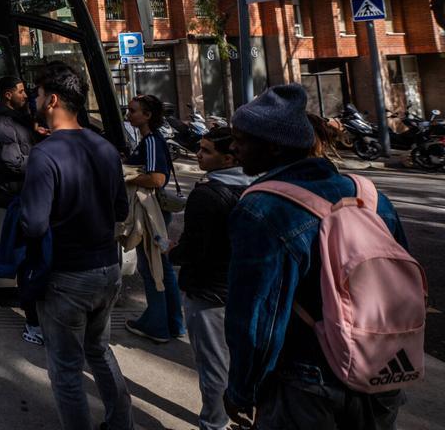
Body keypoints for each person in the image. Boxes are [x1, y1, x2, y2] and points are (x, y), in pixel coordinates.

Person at [224, 84, 409, 430]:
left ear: (274, 146)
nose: (233, 148)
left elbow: (256, 318)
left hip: (305, 381)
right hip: (381, 372)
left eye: (242, 139)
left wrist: (241, 390)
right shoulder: (370, 196)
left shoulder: (262, 208)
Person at [20, 61, 133, 430]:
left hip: (67, 276)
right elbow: (121, 209)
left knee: (66, 370)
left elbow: (34, 224)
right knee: (99, 351)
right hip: (108, 270)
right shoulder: (104, 148)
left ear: (52, 100)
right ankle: (121, 424)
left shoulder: (44, 154)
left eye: (37, 94)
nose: (35, 99)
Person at [168, 126, 252, 430]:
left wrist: (172, 252)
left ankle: (214, 423)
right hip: (242, 290)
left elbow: (194, 249)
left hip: (208, 292)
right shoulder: (256, 188)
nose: (198, 155)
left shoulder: (207, 195)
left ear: (229, 158)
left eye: (206, 151)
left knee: (214, 366)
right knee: (239, 364)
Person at [0, 75, 41, 345]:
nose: (24, 94)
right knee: (29, 261)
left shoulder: (13, 118)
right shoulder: (2, 122)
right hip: (18, 197)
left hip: (24, 194)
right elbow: (11, 162)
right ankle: (34, 323)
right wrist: (47, 158)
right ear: (7, 95)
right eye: (19, 91)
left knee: (32, 258)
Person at [123, 93, 185, 344]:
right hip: (156, 210)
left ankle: (157, 324)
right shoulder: (152, 140)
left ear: (147, 115)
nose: (129, 115)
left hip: (151, 212)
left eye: (133, 110)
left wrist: (126, 175)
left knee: (151, 268)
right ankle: (173, 322)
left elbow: (156, 179)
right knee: (162, 267)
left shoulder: (150, 141)